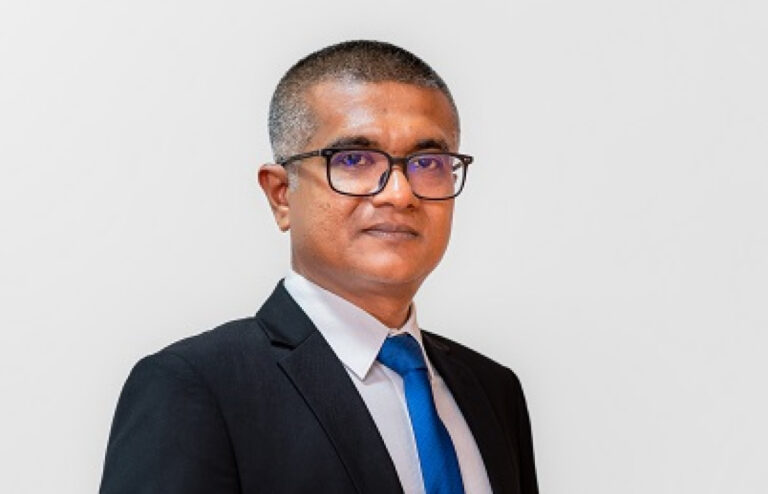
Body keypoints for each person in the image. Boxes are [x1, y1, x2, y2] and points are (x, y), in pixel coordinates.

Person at [100, 40, 538, 494]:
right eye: (354, 160)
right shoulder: (197, 386)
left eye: (428, 162)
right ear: (281, 195)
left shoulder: (493, 390)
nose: (399, 194)